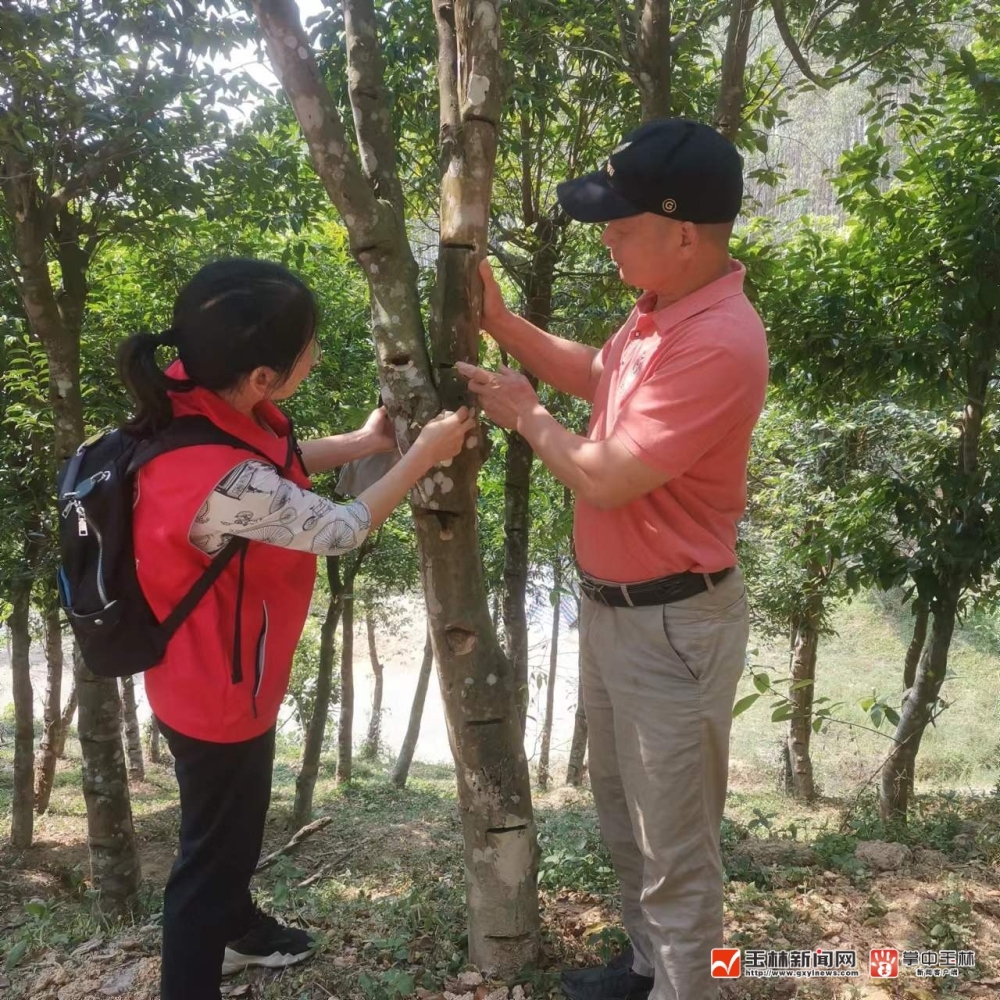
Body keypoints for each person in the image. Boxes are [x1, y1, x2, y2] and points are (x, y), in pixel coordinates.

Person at [457, 119, 768, 1000]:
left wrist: (523, 415)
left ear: (683, 233)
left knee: (675, 844)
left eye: (621, 224)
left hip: (673, 624)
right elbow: (602, 377)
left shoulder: (719, 339)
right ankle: (645, 970)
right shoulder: (660, 313)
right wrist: (502, 323)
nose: (606, 236)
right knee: (627, 817)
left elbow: (608, 475)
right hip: (616, 610)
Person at [117, 258, 475, 1000]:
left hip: (203, 670)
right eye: (308, 350)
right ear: (261, 381)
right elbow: (339, 527)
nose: (315, 355)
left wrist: (361, 443)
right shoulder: (212, 472)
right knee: (210, 856)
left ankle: (242, 930)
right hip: (216, 694)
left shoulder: (191, 392)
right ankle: (200, 968)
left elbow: (266, 474)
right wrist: (420, 454)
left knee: (228, 831)